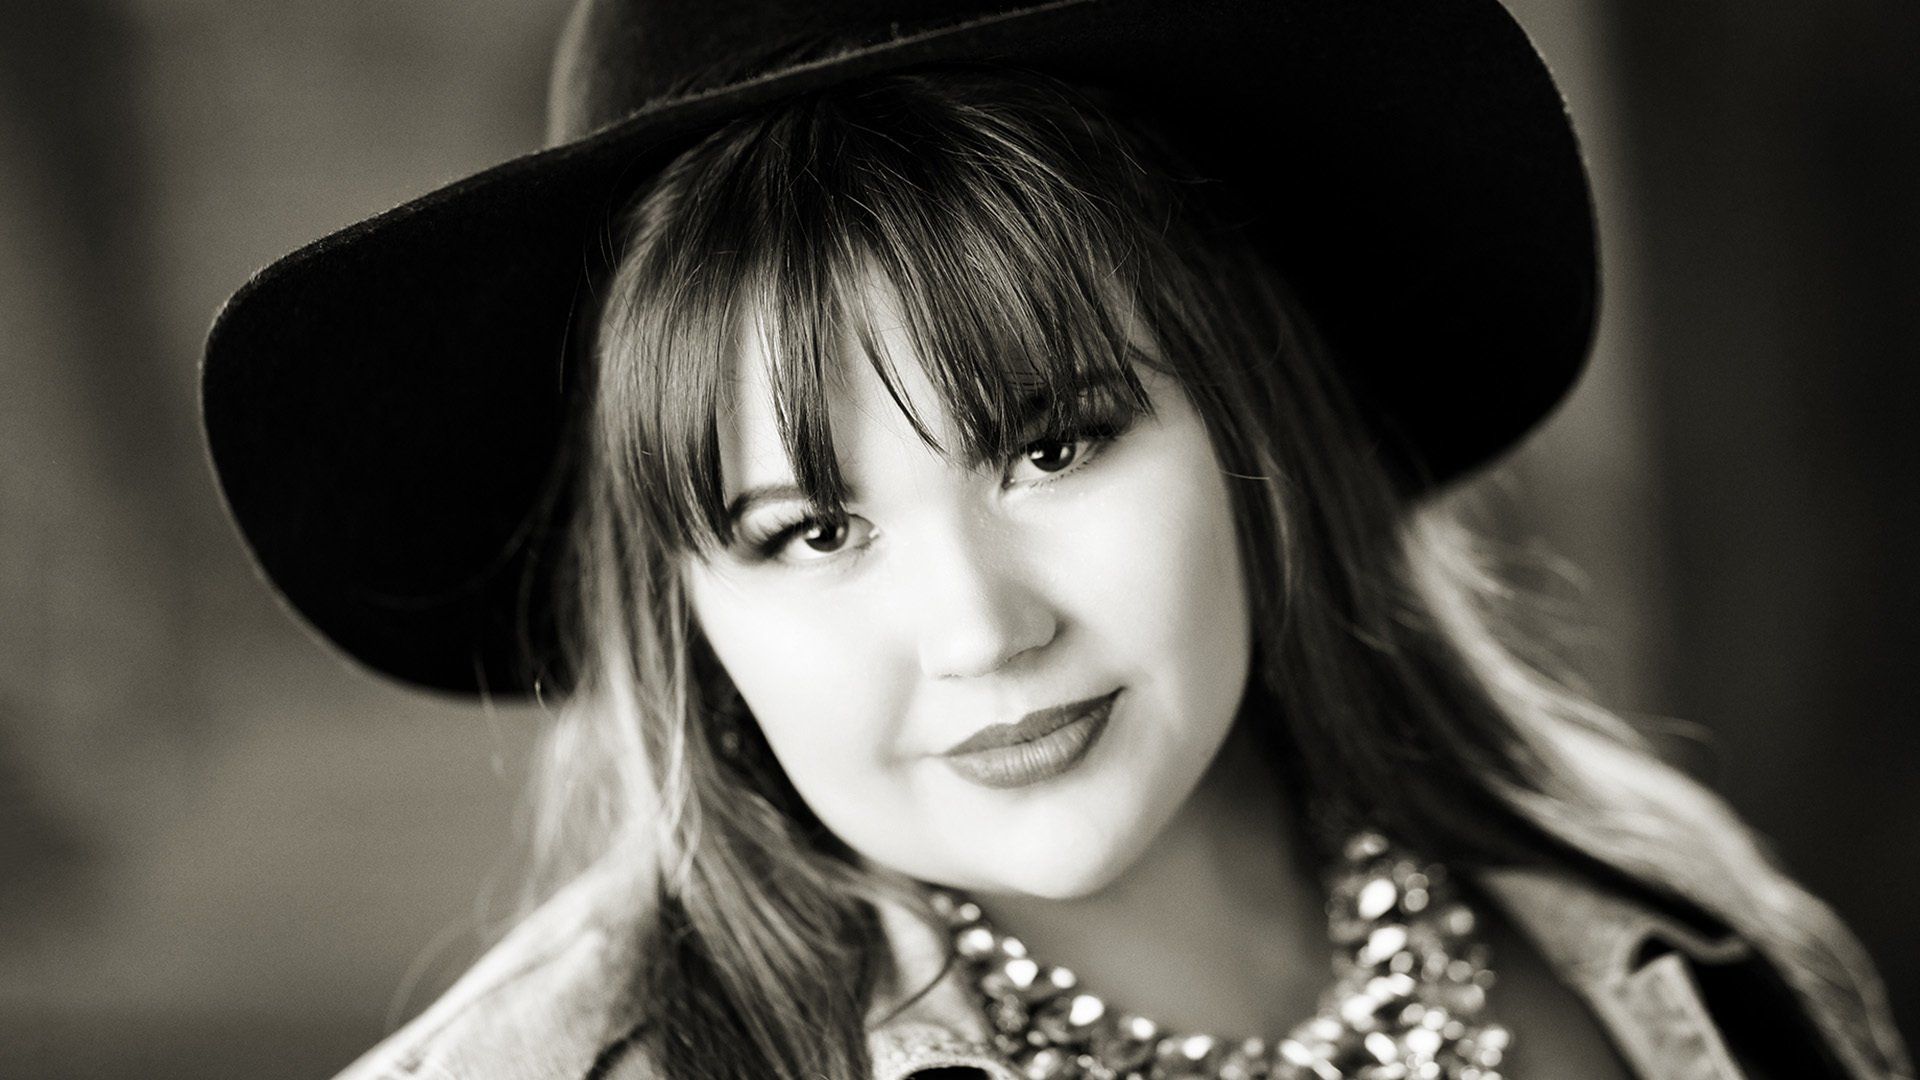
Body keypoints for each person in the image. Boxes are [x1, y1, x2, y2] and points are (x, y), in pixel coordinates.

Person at [201, 1, 1912, 1078]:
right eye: (806, 530)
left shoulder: (1684, 940)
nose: (976, 628)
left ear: (1249, 418)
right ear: (683, 603)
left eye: (1055, 442)